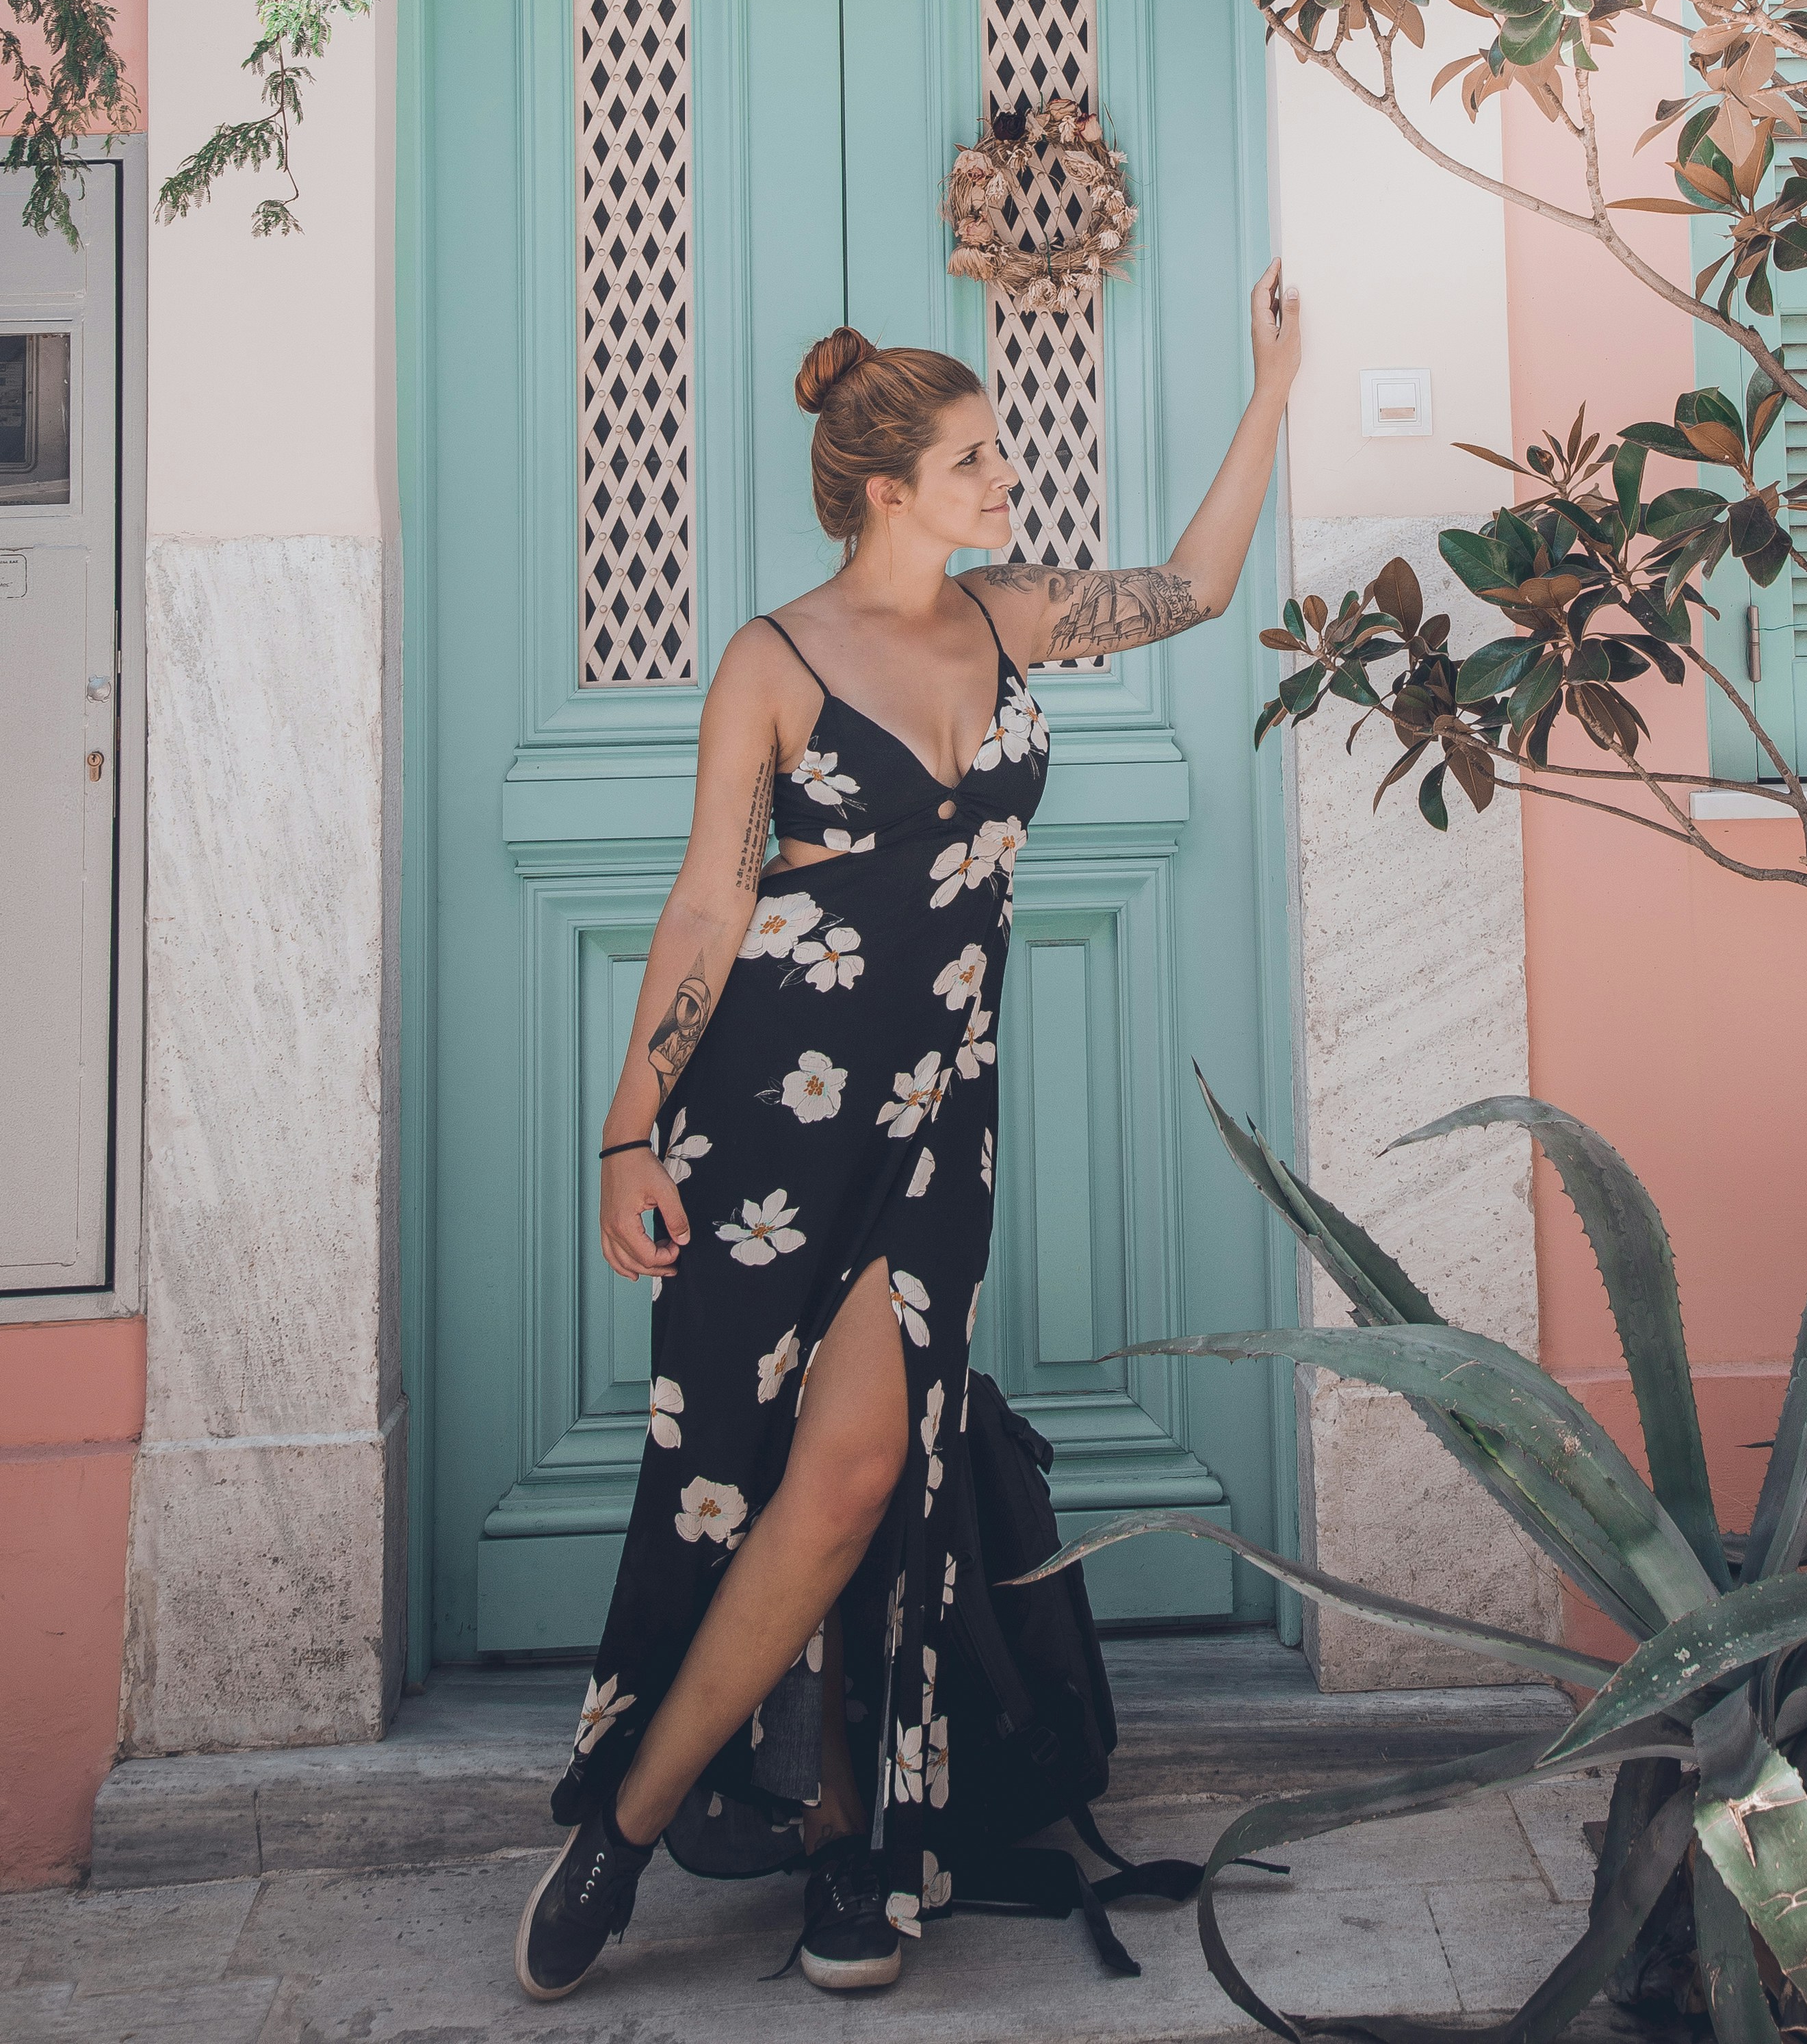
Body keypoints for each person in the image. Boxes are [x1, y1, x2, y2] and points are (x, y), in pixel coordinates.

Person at [516, 265, 1301, 2003]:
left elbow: (1192, 584)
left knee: (878, 1477)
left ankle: (841, 1838)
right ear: (886, 488)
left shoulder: (1009, 619)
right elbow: (708, 907)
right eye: (973, 459)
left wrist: (1271, 388)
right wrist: (626, 1131)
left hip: (941, 1118)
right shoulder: (775, 660)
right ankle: (638, 1828)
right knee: (752, 1482)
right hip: (774, 1123)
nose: (1003, 477)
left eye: (994, 453)